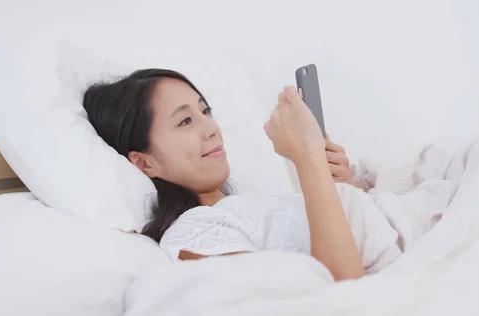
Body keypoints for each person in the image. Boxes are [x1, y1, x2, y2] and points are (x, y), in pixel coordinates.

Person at [83, 69, 400, 281]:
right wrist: (308, 161)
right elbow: (339, 299)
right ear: (145, 164)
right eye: (184, 122)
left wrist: (344, 189)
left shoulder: (256, 205)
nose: (211, 129)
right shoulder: (195, 233)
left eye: (205, 112)